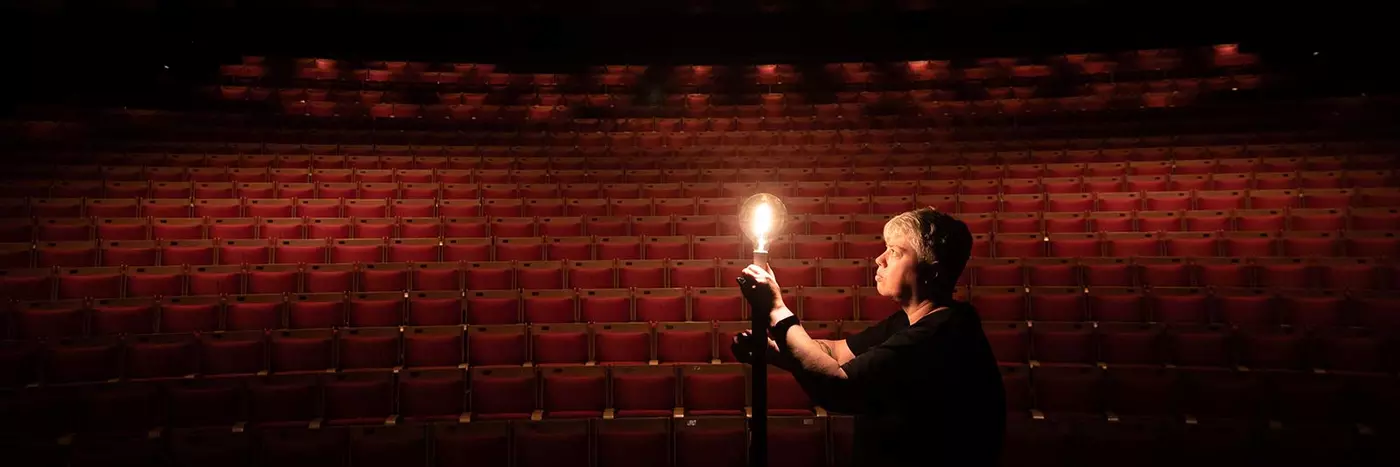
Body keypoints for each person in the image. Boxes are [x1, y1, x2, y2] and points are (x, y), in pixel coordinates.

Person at [734, 208, 1005, 467]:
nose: (880, 259)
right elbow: (837, 353)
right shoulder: (911, 320)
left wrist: (777, 310)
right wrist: (774, 351)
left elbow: (838, 387)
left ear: (932, 272)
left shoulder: (941, 337)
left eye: (896, 252)